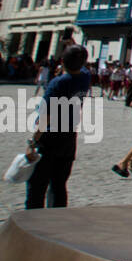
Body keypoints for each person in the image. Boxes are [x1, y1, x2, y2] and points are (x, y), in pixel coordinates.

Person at [24, 45, 93, 209]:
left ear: (62, 61)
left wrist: (33, 142)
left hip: (50, 137)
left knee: (38, 185)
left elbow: (46, 116)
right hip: (69, 135)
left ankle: (32, 221)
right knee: (59, 184)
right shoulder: (85, 77)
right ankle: (57, 218)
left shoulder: (58, 83)